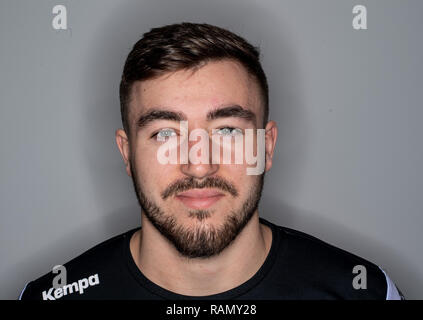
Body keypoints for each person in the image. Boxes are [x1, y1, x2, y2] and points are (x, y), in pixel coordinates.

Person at [19, 22, 404, 300]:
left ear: (266, 147)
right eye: (165, 134)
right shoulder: (50, 297)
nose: (199, 166)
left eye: (228, 132)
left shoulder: (361, 290)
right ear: (127, 154)